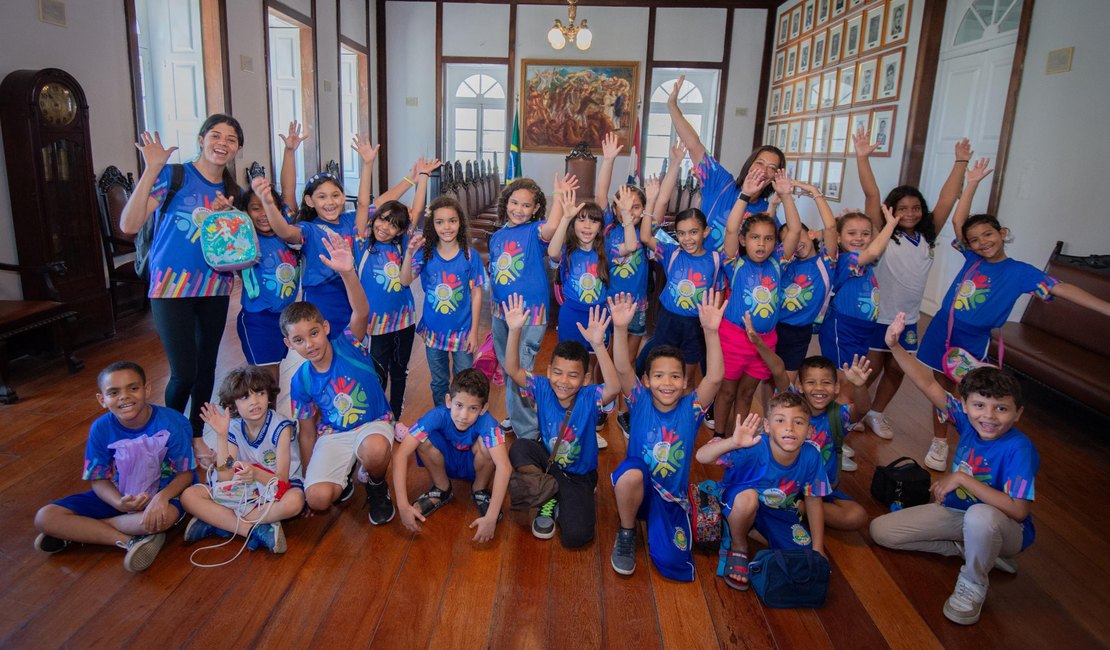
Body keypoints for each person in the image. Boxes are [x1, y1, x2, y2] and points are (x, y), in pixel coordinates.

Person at [914, 159, 1110, 470]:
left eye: (988, 235)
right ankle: (940, 441)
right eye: (975, 239)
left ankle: (974, 443)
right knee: (938, 388)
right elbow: (958, 222)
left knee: (972, 395)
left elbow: (1063, 289)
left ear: (1002, 233)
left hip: (973, 339)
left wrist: (1105, 308)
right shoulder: (971, 256)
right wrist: (973, 181)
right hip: (943, 328)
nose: (982, 243)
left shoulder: (1020, 272)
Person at [872, 313, 1039, 626]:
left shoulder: (1020, 449)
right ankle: (969, 548)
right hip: (958, 513)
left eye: (1001, 409)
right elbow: (925, 382)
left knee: (981, 517)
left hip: (1005, 527)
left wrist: (961, 478)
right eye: (979, 406)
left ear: (1018, 414)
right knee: (882, 531)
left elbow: (1018, 511)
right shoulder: (965, 421)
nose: (988, 416)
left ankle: (974, 581)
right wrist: (894, 347)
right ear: (965, 406)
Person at [119, 115, 244, 461]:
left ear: (237, 149)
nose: (223, 143)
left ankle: (194, 435)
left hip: (215, 287)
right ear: (202, 138)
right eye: (216, 135)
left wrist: (225, 219)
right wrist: (151, 167)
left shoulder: (233, 192)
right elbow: (129, 224)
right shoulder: (173, 176)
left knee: (206, 368)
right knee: (183, 371)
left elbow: (235, 248)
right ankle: (164, 435)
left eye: (231, 139)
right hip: (169, 288)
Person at [853, 134, 971, 441]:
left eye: (915, 207)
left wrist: (960, 162)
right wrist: (863, 157)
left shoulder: (927, 236)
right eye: (902, 208)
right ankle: (854, 412)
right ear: (890, 210)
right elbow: (871, 193)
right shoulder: (883, 233)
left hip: (908, 319)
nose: (909, 213)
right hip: (879, 317)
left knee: (897, 369)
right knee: (870, 369)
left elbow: (947, 199)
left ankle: (877, 412)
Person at [33, 362, 195, 572]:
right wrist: (119, 503)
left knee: (163, 519)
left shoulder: (172, 423)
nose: (124, 396)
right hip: (122, 496)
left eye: (133, 388)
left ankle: (80, 531)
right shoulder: (101, 428)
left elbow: (185, 474)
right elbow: (98, 479)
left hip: (164, 495)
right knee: (45, 517)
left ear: (147, 389)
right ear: (102, 399)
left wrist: (160, 498)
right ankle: (128, 541)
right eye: (113, 392)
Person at [608, 290, 726, 579]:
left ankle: (659, 528)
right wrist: (621, 328)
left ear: (686, 382)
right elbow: (623, 367)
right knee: (632, 474)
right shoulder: (639, 401)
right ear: (646, 381)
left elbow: (715, 377)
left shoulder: (692, 408)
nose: (667, 383)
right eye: (658, 376)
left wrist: (711, 332)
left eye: (675, 376)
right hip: (639, 488)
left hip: (670, 499)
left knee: (673, 563)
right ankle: (627, 531)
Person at [283, 231, 396, 524]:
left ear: (326, 328)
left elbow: (361, 310)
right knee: (318, 499)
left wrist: (348, 273)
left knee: (374, 451)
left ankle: (376, 485)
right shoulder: (301, 380)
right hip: (336, 433)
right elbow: (307, 431)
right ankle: (342, 477)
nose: (310, 344)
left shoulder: (348, 343)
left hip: (374, 423)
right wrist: (308, 478)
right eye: (299, 340)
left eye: (314, 333)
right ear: (289, 345)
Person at [265, 134, 414, 340]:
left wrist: (410, 180)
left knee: (353, 344)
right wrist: (269, 204)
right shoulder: (309, 228)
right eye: (322, 197)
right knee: (324, 345)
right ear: (309, 201)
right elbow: (285, 231)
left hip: (352, 290)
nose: (330, 202)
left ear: (343, 197)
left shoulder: (350, 220)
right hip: (322, 295)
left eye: (335, 195)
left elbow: (378, 203)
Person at [503, 296, 621, 548]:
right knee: (520, 447)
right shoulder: (542, 387)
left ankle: (561, 496)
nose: (563, 381)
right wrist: (514, 331)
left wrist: (598, 345)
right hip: (550, 463)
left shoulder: (590, 396)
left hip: (580, 476)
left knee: (576, 537)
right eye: (557, 372)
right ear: (548, 372)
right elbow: (513, 369)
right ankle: (550, 493)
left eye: (573, 375)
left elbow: (614, 387)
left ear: (585, 379)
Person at [696, 392, 830, 591]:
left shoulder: (811, 455)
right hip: (739, 500)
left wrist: (818, 547)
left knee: (802, 557)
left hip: (780, 511)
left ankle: (747, 529)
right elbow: (701, 457)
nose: (790, 428)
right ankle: (739, 544)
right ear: (767, 426)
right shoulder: (755, 446)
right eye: (780, 420)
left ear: (809, 431)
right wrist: (733, 442)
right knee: (748, 499)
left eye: (799, 422)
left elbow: (813, 499)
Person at [712, 168, 802, 433]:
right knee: (727, 391)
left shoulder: (778, 263)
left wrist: (786, 196)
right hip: (733, 338)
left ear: (775, 243)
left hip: (764, 341)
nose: (761, 244)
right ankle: (719, 434)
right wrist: (744, 196)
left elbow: (795, 230)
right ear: (743, 240)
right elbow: (730, 229)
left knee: (746, 393)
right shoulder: (734, 264)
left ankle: (739, 435)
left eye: (768, 239)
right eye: (754, 238)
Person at [182, 366, 304, 553]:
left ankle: (219, 522)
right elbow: (225, 476)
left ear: (269, 395)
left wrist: (255, 473)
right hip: (244, 489)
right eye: (245, 397)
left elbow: (282, 481)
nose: (254, 402)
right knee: (188, 496)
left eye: (260, 393)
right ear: (233, 404)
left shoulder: (281, 428)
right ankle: (252, 529)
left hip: (273, 486)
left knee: (295, 502)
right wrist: (222, 437)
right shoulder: (233, 427)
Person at [488, 176, 570, 441]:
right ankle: (518, 414)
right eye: (514, 203)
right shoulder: (497, 236)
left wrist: (558, 195)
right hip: (502, 312)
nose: (519, 209)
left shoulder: (535, 231)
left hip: (529, 314)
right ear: (506, 203)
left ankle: (529, 431)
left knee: (520, 367)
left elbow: (554, 225)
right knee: (508, 365)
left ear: (535, 209)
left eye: (526, 205)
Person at [357, 158, 440, 419]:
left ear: (401, 229)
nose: (385, 227)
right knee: (377, 370)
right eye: (382, 220)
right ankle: (378, 414)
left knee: (400, 369)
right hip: (376, 324)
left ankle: (395, 413)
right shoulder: (362, 243)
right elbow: (364, 205)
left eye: (393, 224)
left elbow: (418, 207)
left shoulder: (403, 244)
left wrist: (424, 176)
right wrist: (410, 178)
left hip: (403, 320)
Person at [667, 75, 787, 253]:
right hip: (702, 268)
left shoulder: (767, 211)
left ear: (775, 177)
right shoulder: (721, 181)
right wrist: (672, 106)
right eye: (760, 163)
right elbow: (693, 145)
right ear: (749, 164)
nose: (763, 170)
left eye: (771, 168)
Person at [392, 369, 511, 543]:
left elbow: (504, 467)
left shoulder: (489, 424)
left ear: (484, 408)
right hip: (447, 462)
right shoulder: (436, 415)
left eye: (473, 408)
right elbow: (401, 454)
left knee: (489, 445)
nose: (463, 416)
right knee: (422, 439)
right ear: (449, 401)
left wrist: (491, 517)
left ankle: (479, 489)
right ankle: (442, 489)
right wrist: (402, 505)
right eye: (459, 405)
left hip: (474, 465)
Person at [400, 196, 488, 409]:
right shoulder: (425, 253)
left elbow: (477, 294)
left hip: (463, 332)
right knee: (439, 382)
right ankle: (443, 416)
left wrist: (474, 332)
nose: (446, 227)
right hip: (434, 331)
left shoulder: (470, 255)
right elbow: (404, 280)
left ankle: (462, 417)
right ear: (432, 225)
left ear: (460, 223)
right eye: (439, 222)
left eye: (452, 221)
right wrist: (410, 252)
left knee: (464, 380)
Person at [816, 206, 898, 402]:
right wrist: (891, 225)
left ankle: (845, 414)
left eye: (865, 234)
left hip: (862, 330)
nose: (859, 238)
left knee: (853, 377)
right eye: (851, 233)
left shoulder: (866, 264)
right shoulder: (847, 260)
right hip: (842, 328)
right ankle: (839, 420)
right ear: (838, 238)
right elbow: (876, 249)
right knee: (844, 377)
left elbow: (875, 247)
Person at [236, 174, 301, 386]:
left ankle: (269, 418)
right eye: (256, 208)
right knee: (266, 382)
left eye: (268, 205)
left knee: (273, 380)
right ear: (246, 212)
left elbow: (289, 190)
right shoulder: (244, 240)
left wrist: (290, 150)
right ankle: (258, 417)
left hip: (285, 318)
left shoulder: (289, 233)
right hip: (258, 319)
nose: (263, 213)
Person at [775, 181, 839, 386]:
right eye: (787, 240)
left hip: (798, 332)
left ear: (811, 233)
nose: (795, 243)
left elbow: (830, 227)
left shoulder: (825, 262)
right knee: (770, 378)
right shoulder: (785, 263)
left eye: (798, 235)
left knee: (787, 381)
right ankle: (770, 416)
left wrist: (815, 193)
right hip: (773, 327)